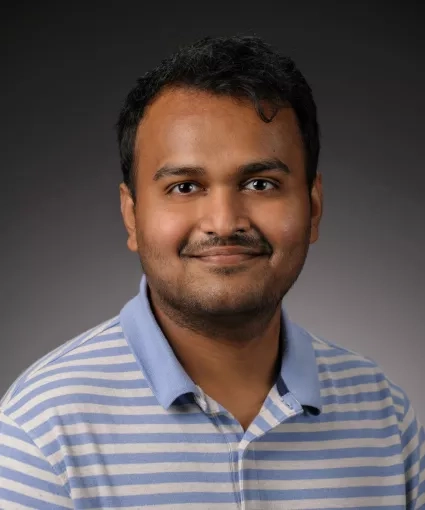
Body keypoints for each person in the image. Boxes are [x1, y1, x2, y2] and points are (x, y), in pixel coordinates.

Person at [0, 34, 423, 510]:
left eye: (261, 183)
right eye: (184, 187)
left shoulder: (385, 417)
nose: (224, 222)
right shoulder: (40, 432)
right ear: (131, 215)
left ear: (314, 206)